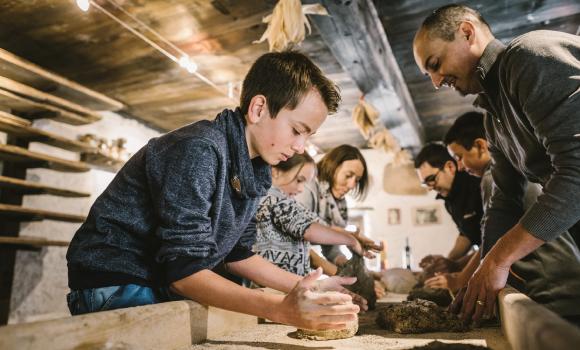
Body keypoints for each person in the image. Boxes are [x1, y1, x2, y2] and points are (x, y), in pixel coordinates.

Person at [66, 51, 364, 331]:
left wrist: (310, 285)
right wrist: (278, 308)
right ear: (258, 109)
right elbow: (183, 272)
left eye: (308, 135)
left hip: (155, 280)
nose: (300, 146)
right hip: (116, 280)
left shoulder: (256, 171)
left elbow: (238, 254)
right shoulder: (199, 149)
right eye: (297, 130)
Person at [413, 4, 580, 324]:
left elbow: (577, 172)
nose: (435, 82)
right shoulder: (494, 121)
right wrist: (476, 272)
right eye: (429, 74)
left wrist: (499, 260)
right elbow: (504, 201)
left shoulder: (529, 58)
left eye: (435, 64)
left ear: (466, 32)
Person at [428, 112, 580, 321]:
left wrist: (461, 280)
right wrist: (458, 269)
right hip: (563, 285)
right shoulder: (503, 177)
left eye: (460, 157)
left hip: (553, 290)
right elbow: (492, 240)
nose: (460, 167)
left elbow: (491, 244)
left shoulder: (493, 180)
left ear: (482, 146)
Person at [254, 152, 371, 277]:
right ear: (275, 172)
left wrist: (351, 235)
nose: (301, 189)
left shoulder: (290, 202)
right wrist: (351, 240)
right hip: (271, 283)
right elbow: (309, 230)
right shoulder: (271, 200)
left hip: (288, 282)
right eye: (299, 180)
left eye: (305, 183)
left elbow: (317, 224)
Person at [296, 145, 380, 267]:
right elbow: (303, 224)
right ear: (333, 166)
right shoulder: (307, 184)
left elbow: (331, 248)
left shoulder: (341, 204)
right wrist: (348, 236)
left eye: (357, 180)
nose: (352, 185)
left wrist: (347, 265)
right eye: (348, 175)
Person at [414, 143, 483, 276]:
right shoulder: (448, 200)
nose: (429, 188)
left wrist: (456, 265)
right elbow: (466, 234)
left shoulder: (477, 185)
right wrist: (445, 261)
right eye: (425, 184)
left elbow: (494, 240)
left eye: (431, 179)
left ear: (450, 167)